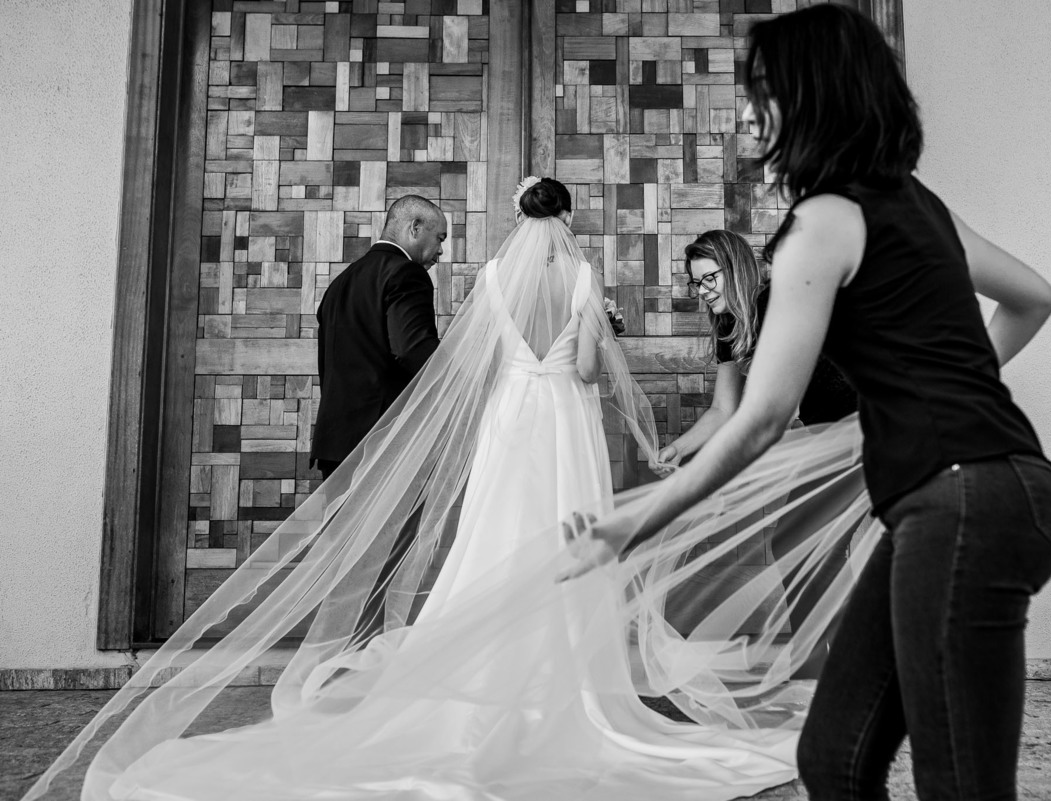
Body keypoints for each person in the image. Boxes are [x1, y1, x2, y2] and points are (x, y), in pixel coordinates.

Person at [27, 178, 830, 801]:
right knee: (563, 543)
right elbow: (587, 371)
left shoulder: (488, 277)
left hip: (511, 421)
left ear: (519, 217)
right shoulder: (584, 277)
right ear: (568, 220)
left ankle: (471, 687)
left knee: (493, 542)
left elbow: (465, 367)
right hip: (564, 424)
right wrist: (602, 333)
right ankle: (566, 684)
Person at [562, 6, 1051, 801]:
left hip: (962, 505)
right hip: (997, 493)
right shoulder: (916, 202)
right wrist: (932, 396)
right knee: (833, 756)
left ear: (810, 96)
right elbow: (1035, 298)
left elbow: (762, 416)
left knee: (960, 785)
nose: (749, 111)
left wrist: (640, 516)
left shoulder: (821, 223)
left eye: (761, 90)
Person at [654, 228, 857, 476]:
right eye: (697, 283)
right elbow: (723, 408)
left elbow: (773, 409)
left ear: (734, 270)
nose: (703, 291)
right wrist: (679, 448)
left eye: (709, 278)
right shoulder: (729, 325)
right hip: (825, 435)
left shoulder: (772, 304)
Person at [310, 194, 446, 481]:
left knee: (341, 527)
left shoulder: (341, 282)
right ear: (415, 228)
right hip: (381, 440)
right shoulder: (406, 274)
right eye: (439, 238)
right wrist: (459, 378)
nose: (440, 251)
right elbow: (413, 350)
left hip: (334, 441)